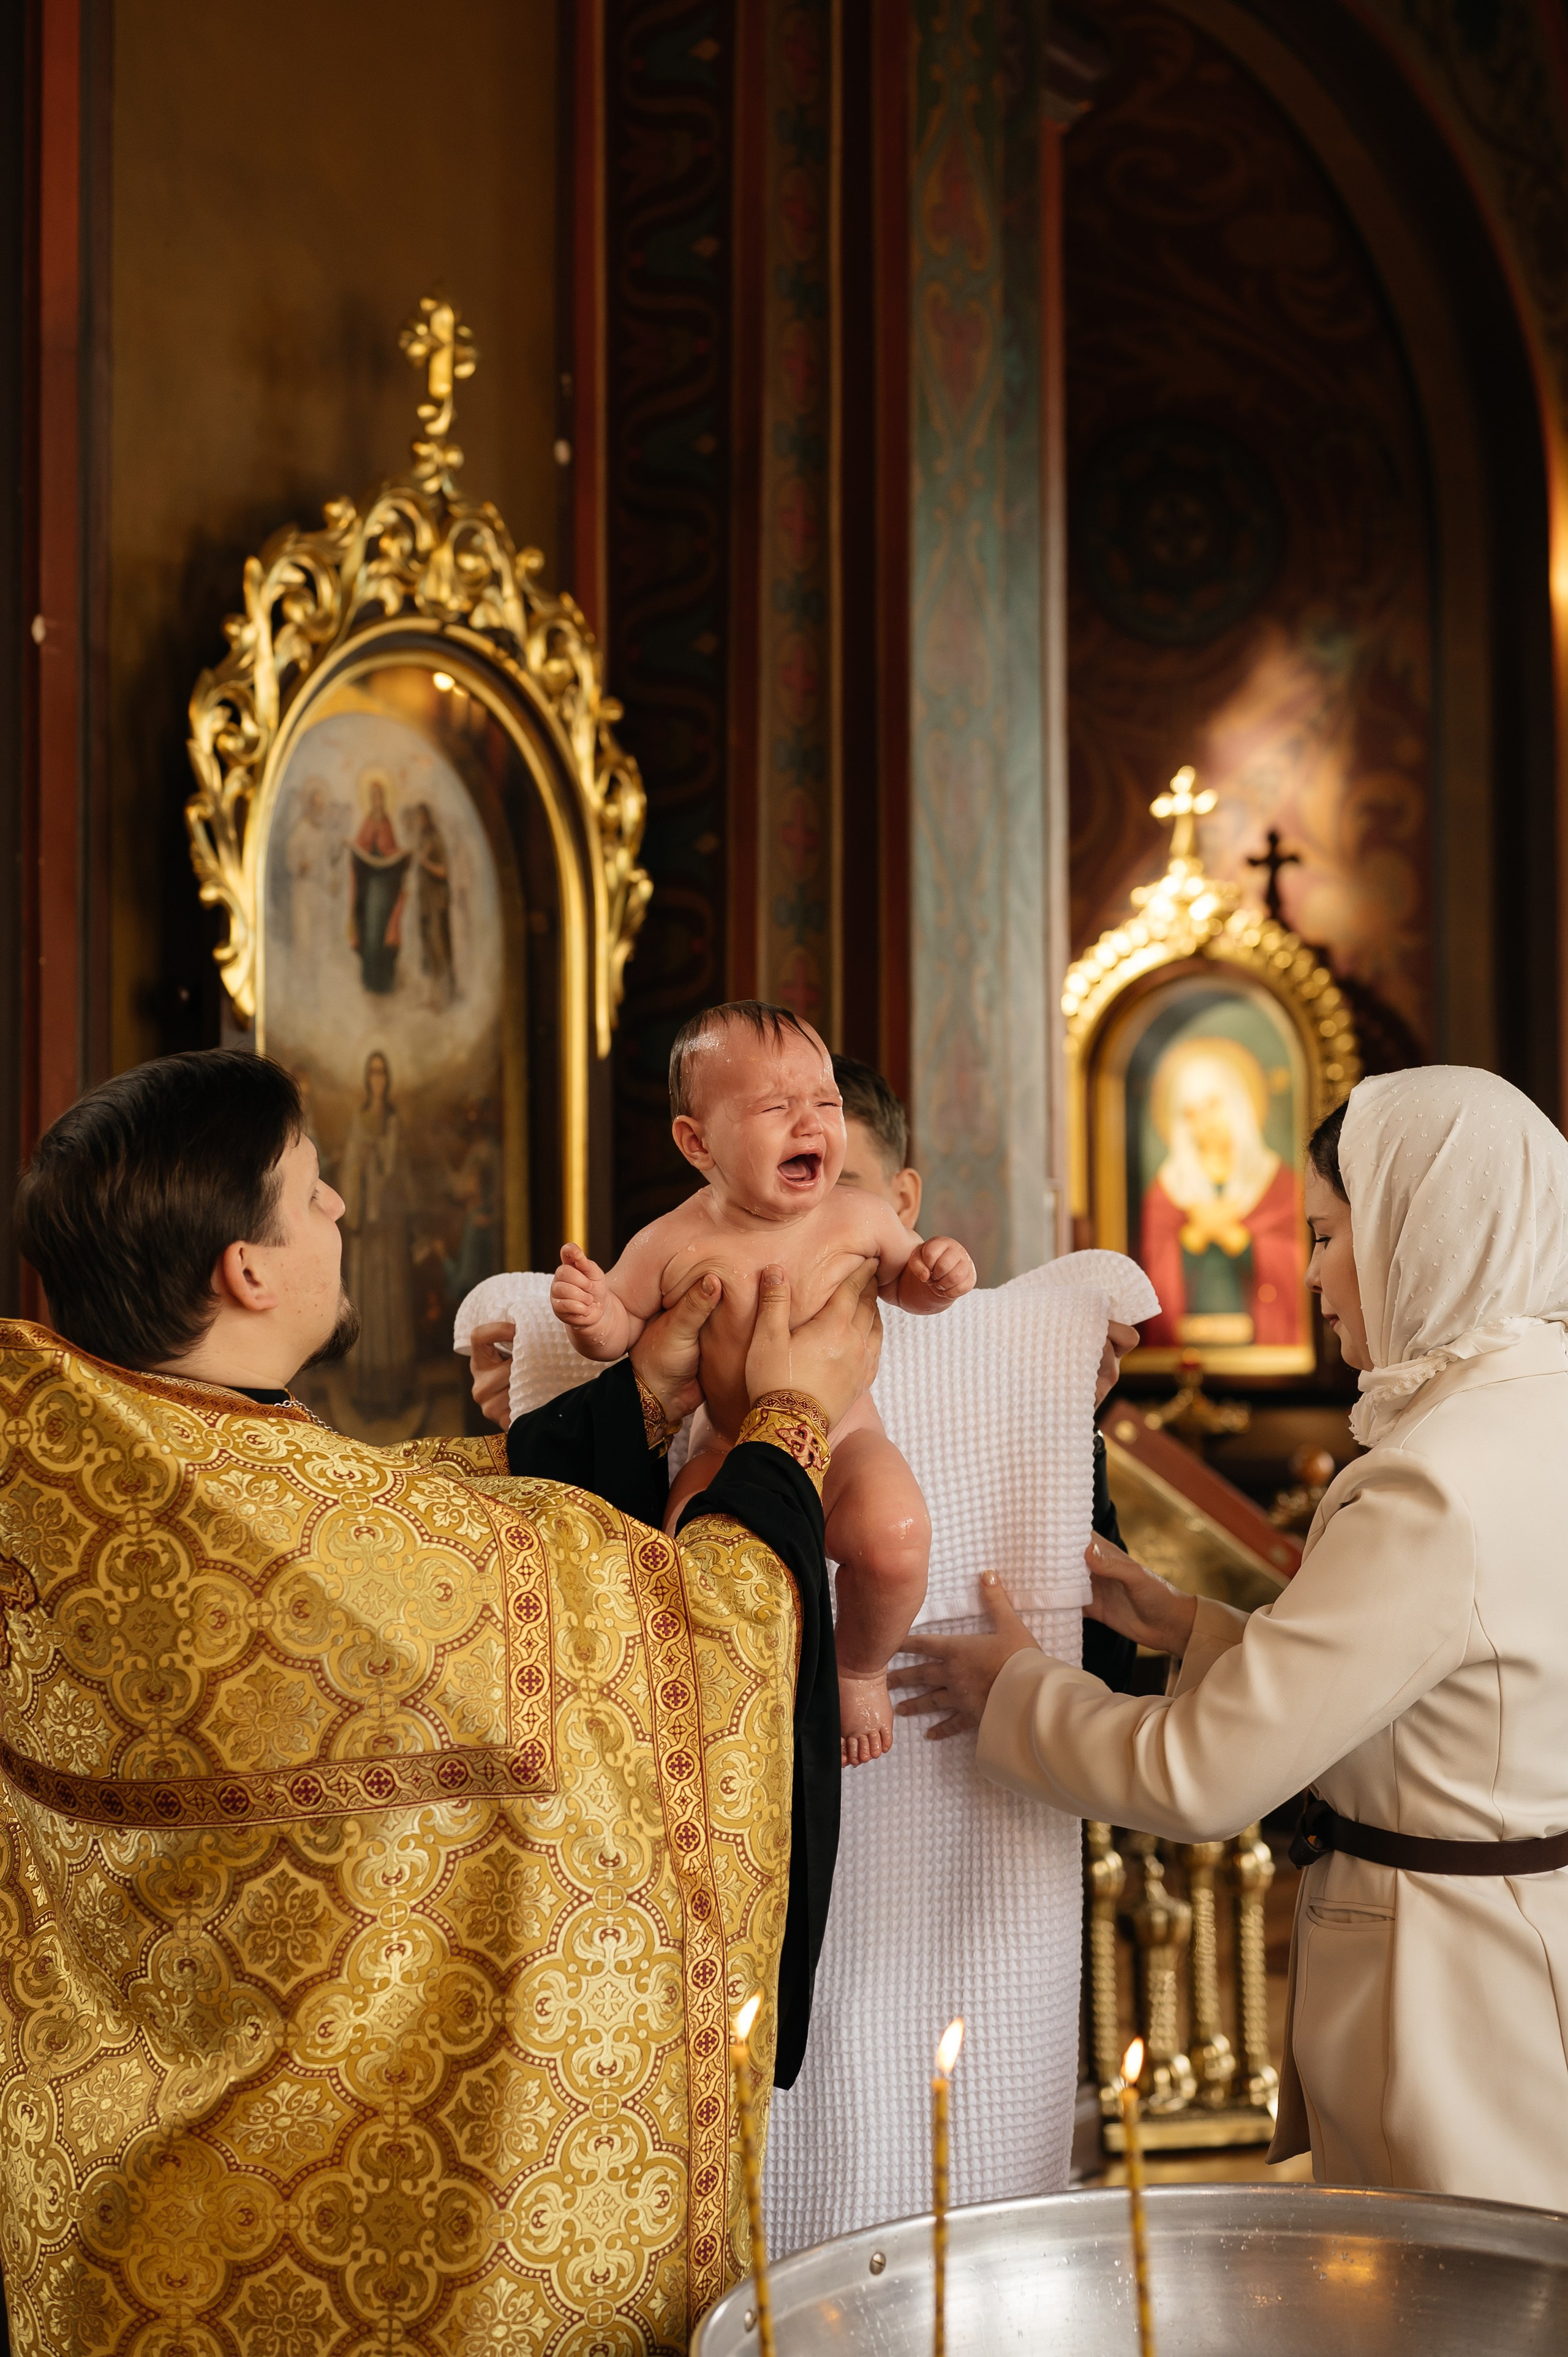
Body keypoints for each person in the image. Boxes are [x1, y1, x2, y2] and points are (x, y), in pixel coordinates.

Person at [0, 1048, 879, 2353]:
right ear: (246, 1271)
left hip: (133, 2211)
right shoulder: (340, 1551)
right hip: (356, 2229)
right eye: (312, 1189)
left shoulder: (103, 1480)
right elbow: (696, 1634)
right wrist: (794, 1422)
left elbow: (389, 1512)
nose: (343, 1205)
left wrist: (641, 1397)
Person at [895, 1065, 1568, 2207]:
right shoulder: (1536, 1409)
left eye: (1329, 1234)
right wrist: (1190, 1625)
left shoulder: (1429, 1484)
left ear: (1424, 1229)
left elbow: (1201, 1775)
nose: (1309, 1274)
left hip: (1451, 2003)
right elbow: (1450, 1687)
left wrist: (1016, 1690)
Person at [549, 1001, 977, 1764]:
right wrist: (591, 1312)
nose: (810, 1122)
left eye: (825, 1103)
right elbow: (620, 1326)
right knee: (684, 1558)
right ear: (697, 1142)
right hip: (729, 1447)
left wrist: (938, 1274)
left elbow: (909, 1280)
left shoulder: (859, 1216)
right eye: (776, 1107)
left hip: (848, 1443)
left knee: (896, 1540)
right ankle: (717, 1700)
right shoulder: (675, 1238)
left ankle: (858, 1665)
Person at [1139, 1037, 1302, 1348]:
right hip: (1187, 1339)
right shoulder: (1168, 1188)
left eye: (1213, 1106)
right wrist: (1194, 1237)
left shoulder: (1276, 1181)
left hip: (1260, 1339)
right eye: (1192, 1113)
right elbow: (1151, 1269)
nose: (1205, 1123)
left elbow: (1299, 1265)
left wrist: (1238, 1240)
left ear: (1237, 1104)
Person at [336, 1046, 418, 1418]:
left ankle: (396, 1391)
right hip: (365, 1230)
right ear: (367, 1079)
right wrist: (362, 1158)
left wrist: (382, 1152)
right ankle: (366, 1392)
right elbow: (350, 1165)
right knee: (368, 1303)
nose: (378, 1079)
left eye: (382, 1072)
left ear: (388, 1079)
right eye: (373, 1072)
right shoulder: (360, 1119)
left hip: (390, 1225)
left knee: (392, 1306)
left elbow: (400, 1170)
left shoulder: (395, 1121)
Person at [349, 769, 411, 994]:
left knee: (385, 932)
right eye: (373, 797)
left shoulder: (387, 823)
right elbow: (361, 848)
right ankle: (370, 980)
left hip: (385, 889)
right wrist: (357, 850)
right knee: (370, 932)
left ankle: (385, 981)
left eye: (380, 797)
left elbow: (390, 851)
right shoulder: (368, 822)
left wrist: (400, 855)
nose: (377, 801)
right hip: (370, 888)